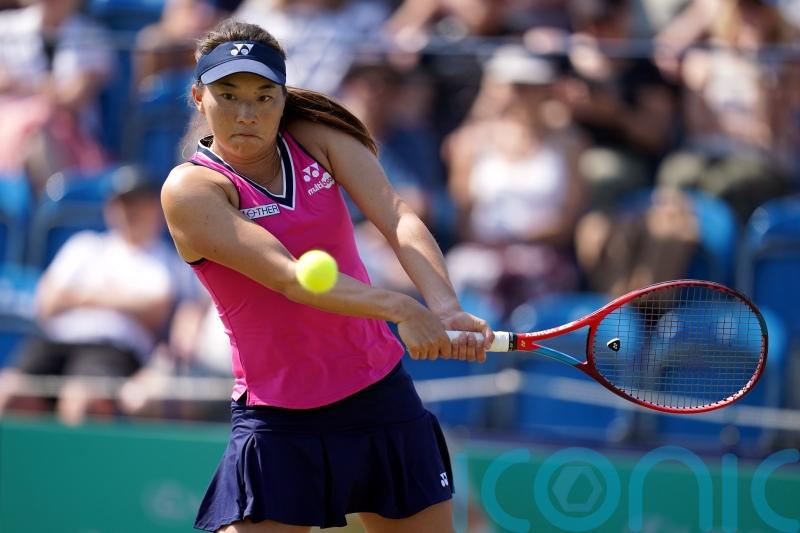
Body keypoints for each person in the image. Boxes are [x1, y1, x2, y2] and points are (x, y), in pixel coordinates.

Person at [160, 19, 494, 533]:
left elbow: (397, 215)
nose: (246, 113)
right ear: (198, 98)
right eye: (228, 95)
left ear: (283, 98)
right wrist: (403, 308)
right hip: (280, 416)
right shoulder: (191, 190)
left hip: (379, 394)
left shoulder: (317, 138)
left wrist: (444, 305)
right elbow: (292, 279)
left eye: (263, 97)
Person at [0, 165, 184, 426]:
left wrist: (78, 297)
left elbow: (155, 310)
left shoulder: (167, 260)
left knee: (82, 403)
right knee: (8, 394)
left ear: (155, 208)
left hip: (112, 350)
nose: (128, 211)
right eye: (121, 203)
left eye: (137, 203)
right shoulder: (83, 245)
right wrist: (118, 300)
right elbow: (46, 302)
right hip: (54, 342)